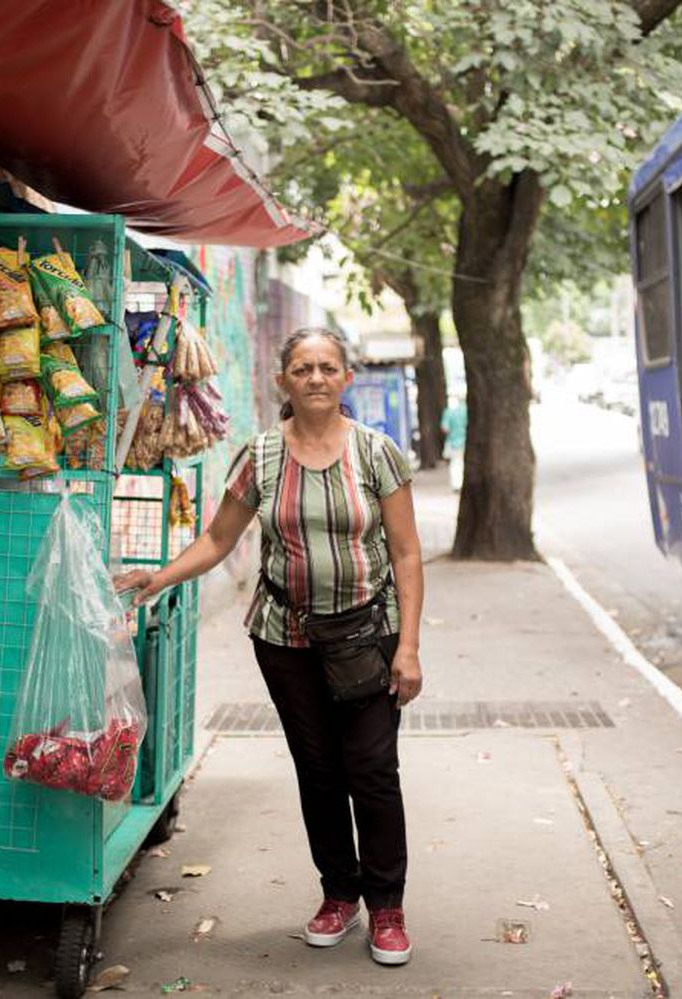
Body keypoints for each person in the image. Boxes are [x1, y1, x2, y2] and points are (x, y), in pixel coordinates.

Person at [115, 327, 425, 966]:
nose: (316, 377)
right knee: (318, 771)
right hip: (286, 639)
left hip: (369, 635)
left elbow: (407, 552)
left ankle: (386, 907)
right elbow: (219, 539)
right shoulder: (259, 456)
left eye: (328, 367)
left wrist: (410, 648)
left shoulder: (377, 453)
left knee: (370, 771)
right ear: (283, 380)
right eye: (303, 368)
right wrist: (160, 576)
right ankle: (339, 894)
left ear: (346, 378)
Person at [440, 394, 467, 492]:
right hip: (465, 440)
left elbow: (445, 428)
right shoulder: (465, 410)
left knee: (455, 463)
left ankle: (456, 485)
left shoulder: (448, 412)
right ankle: (463, 483)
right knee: (463, 462)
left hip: (453, 442)